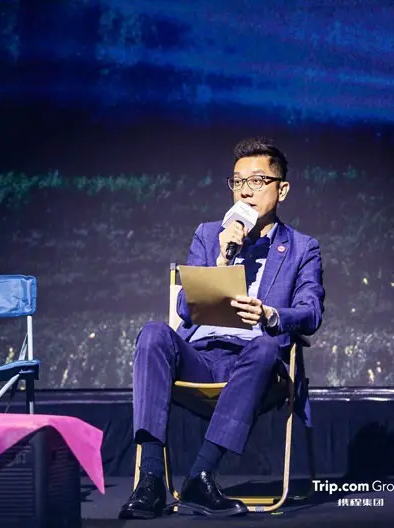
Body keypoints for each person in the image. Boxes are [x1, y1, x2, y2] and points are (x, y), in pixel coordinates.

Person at [119, 137, 325, 519]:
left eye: (257, 181)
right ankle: (150, 479)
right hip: (200, 357)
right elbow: (184, 307)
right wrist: (222, 259)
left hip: (254, 364)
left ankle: (202, 474)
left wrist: (269, 315)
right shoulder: (209, 234)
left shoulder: (302, 248)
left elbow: (310, 312)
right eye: (238, 181)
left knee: (266, 346)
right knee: (153, 333)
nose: (245, 191)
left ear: (282, 190)